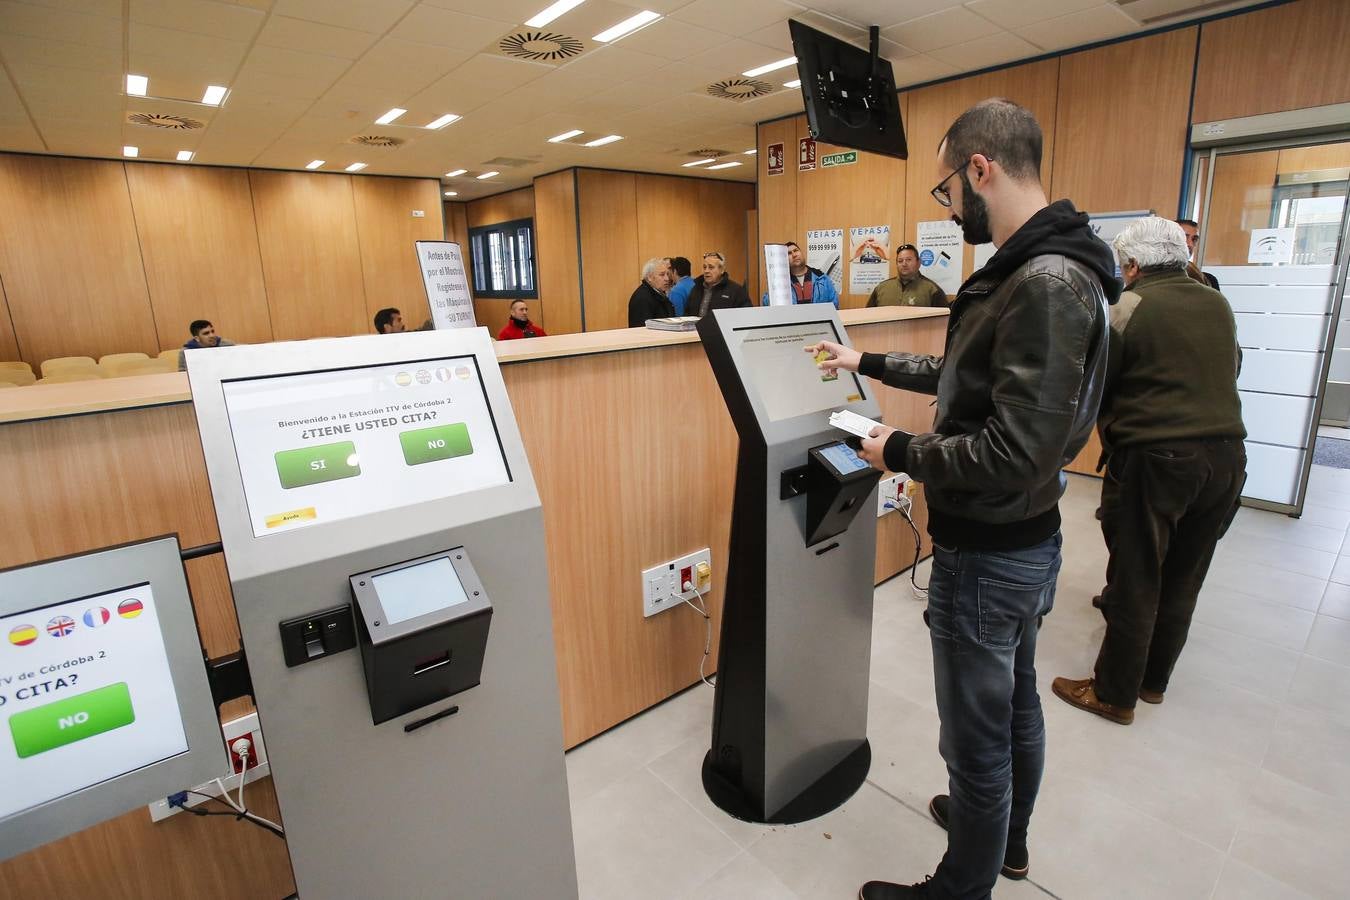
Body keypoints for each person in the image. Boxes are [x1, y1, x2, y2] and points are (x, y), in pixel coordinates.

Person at [807, 98, 1117, 900]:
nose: (950, 206)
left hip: (992, 550)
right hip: (1024, 538)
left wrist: (900, 452)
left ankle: (961, 886)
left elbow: (1015, 449)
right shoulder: (1046, 267)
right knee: (1011, 706)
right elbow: (966, 380)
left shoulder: (1044, 281)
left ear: (980, 168)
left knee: (978, 735)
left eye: (948, 190)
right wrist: (863, 359)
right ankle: (1004, 840)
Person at [1052, 218, 1246, 726]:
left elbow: (1093, 382)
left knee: (1138, 575)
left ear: (1134, 265)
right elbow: (1234, 367)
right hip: (1227, 456)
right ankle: (1154, 681)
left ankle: (1114, 694)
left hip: (1158, 459)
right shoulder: (1215, 301)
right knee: (1185, 574)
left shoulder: (1129, 307)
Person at [866, 244, 949, 308]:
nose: (904, 264)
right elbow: (868, 317)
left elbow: (944, 323)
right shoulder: (881, 289)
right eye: (900, 261)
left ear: (918, 263)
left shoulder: (932, 290)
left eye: (909, 260)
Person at [760, 240, 839, 307]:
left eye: (796, 250)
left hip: (819, 324)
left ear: (801, 253)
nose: (794, 255)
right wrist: (776, 281)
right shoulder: (781, 282)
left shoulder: (823, 279)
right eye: (789, 253)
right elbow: (767, 305)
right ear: (783, 259)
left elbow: (834, 306)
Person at [687, 251, 751, 318]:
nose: (706, 271)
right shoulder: (696, 288)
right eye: (704, 267)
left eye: (711, 267)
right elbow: (687, 312)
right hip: (695, 328)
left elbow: (746, 316)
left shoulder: (736, 291)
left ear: (722, 270)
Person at [628, 258, 675, 327]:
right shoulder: (642, 298)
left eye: (667, 274)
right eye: (662, 275)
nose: (667, 279)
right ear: (649, 277)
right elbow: (642, 330)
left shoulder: (659, 293)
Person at [1175, 218, 1220, 290]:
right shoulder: (1154, 277)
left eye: (1194, 239)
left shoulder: (1209, 281)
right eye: (1184, 237)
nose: (1190, 244)